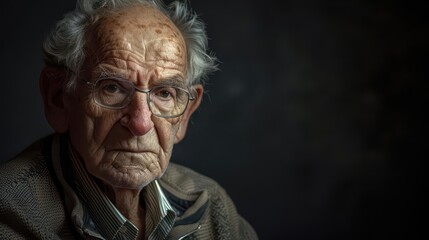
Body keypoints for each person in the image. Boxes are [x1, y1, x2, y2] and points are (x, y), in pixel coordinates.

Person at [0, 0, 258, 239]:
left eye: (164, 93)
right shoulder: (10, 214)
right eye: (112, 88)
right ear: (58, 97)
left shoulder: (213, 206)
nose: (141, 123)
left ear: (185, 113)